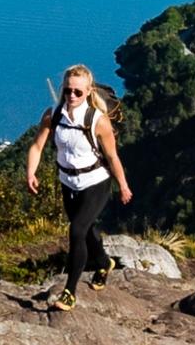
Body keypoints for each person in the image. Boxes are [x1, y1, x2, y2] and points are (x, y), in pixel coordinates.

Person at [18, 65, 130, 311]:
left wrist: (123, 185)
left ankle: (70, 291)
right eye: (68, 90)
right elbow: (37, 146)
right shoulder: (53, 115)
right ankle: (103, 263)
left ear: (89, 91)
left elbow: (112, 157)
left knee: (76, 231)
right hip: (67, 181)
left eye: (78, 92)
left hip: (96, 182)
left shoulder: (97, 121)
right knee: (87, 230)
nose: (71, 96)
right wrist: (30, 172)